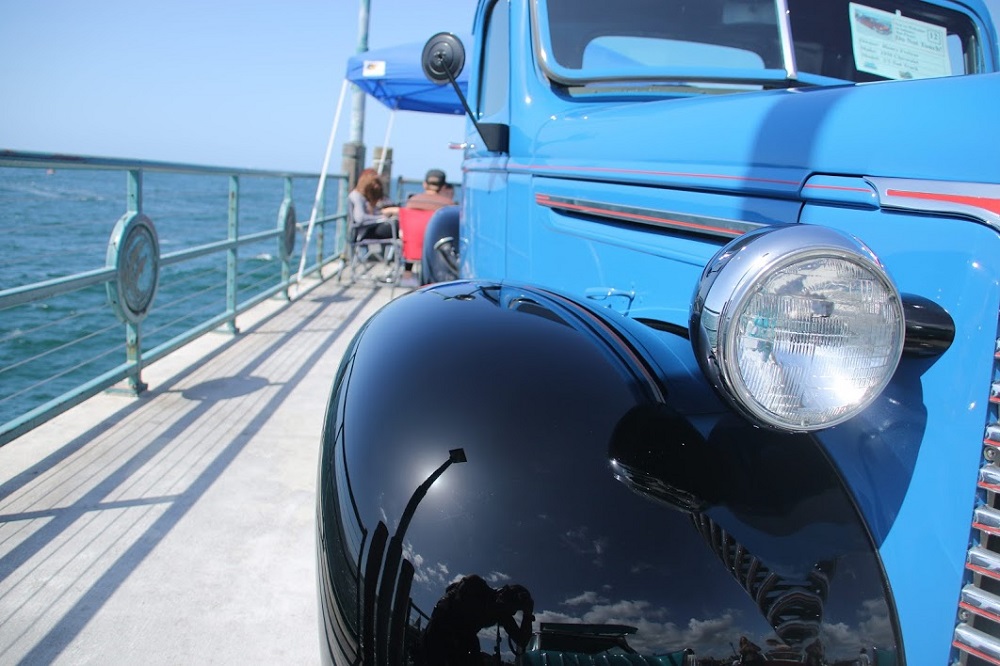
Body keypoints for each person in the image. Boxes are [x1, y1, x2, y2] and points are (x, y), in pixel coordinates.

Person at [421, 574, 535, 665]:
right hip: (441, 628)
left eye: (513, 610)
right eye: (511, 607)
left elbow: (522, 641)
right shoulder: (477, 585)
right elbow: (454, 597)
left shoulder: (502, 614)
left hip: (463, 637)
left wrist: (528, 615)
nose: (511, 612)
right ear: (502, 592)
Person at [348, 168, 399, 242]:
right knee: (397, 226)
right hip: (364, 232)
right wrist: (381, 218)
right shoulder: (356, 196)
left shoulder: (363, 197)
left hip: (371, 227)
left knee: (399, 224)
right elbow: (360, 218)